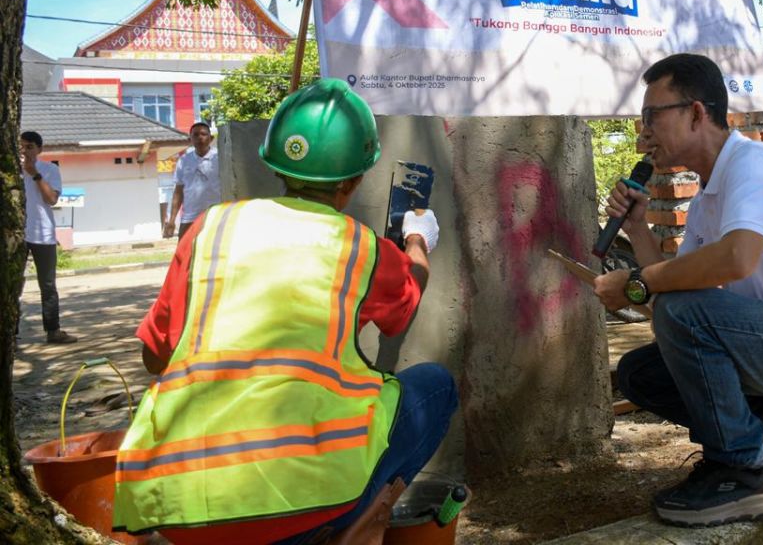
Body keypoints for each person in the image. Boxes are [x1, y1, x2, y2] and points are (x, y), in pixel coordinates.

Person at [113, 78, 458, 544]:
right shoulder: (361, 248)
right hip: (298, 509)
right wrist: (417, 239)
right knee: (434, 388)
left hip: (175, 508)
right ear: (355, 179)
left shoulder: (210, 229)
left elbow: (154, 359)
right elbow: (404, 305)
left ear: (274, 164)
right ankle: (347, 531)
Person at [594, 54, 763, 527]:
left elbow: (736, 259)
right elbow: (671, 297)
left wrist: (637, 284)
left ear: (697, 112)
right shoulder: (707, 196)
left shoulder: (755, 165)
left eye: (651, 117)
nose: (642, 133)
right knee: (643, 373)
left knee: (682, 311)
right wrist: (639, 231)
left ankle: (744, 472)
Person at [21, 131, 77, 345]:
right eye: (22, 147)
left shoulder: (50, 169)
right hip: (16, 236)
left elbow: (52, 199)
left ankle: (53, 330)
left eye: (30, 147)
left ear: (39, 149)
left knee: (47, 284)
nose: (25, 151)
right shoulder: (10, 170)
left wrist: (33, 172)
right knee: (13, 285)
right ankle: (11, 333)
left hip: (42, 233)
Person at [163, 120, 219, 238]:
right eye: (195, 135)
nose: (200, 138)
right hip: (190, 218)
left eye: (203, 134)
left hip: (216, 216)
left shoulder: (220, 158)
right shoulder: (183, 161)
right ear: (190, 139)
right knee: (186, 254)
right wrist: (172, 220)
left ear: (211, 138)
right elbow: (178, 192)